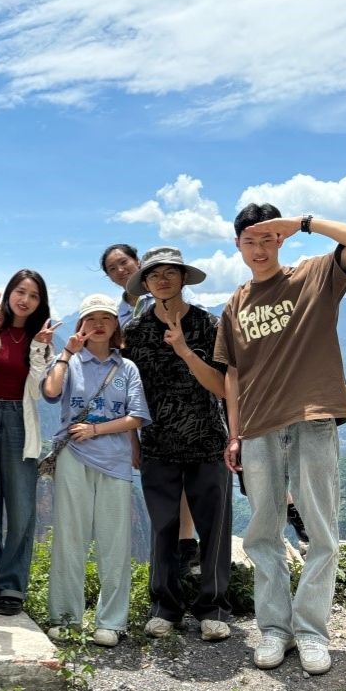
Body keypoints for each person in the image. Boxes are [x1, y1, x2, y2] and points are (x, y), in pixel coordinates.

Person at [215, 205, 346, 676]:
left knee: (321, 531)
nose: (259, 249)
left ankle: (310, 632)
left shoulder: (314, 276)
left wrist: (304, 223)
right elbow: (232, 375)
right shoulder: (236, 303)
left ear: (281, 240)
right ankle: (274, 629)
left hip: (312, 418)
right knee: (263, 533)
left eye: (268, 239)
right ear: (238, 245)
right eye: (250, 241)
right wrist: (234, 433)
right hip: (258, 428)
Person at [121, 248, 232, 642]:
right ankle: (164, 608)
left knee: (214, 529)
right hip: (157, 443)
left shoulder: (208, 325)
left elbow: (222, 387)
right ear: (146, 284)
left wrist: (184, 350)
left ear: (184, 278)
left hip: (207, 441)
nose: (163, 280)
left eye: (170, 272)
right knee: (163, 528)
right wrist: (133, 441)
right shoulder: (134, 332)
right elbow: (130, 394)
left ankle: (213, 608)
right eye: (155, 275)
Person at [41, 294, 150, 647]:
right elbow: (51, 391)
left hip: (115, 460)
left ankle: (112, 621)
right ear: (81, 326)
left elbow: (136, 416)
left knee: (114, 542)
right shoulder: (70, 362)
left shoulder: (127, 368)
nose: (99, 324)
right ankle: (65, 617)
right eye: (91, 318)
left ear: (116, 325)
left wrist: (95, 429)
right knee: (69, 538)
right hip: (74, 456)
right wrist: (65, 353)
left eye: (106, 318)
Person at [0, 269, 56, 616]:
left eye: (34, 295)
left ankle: (12, 585)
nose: (25, 300)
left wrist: (39, 348)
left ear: (41, 303)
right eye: (20, 292)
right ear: (9, 293)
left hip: (19, 423)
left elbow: (38, 392)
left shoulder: (40, 339)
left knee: (22, 510)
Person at [101, 244, 157, 566]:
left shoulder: (167, 296)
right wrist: (131, 438)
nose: (120, 270)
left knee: (190, 476)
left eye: (124, 262)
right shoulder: (116, 318)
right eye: (112, 268)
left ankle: (187, 546)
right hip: (142, 406)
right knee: (160, 481)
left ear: (138, 261)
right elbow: (120, 379)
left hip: (181, 402)